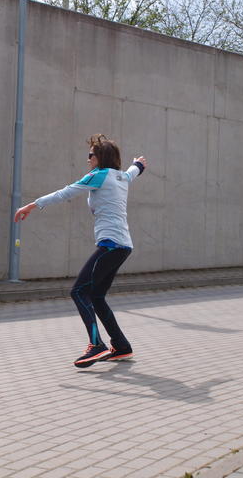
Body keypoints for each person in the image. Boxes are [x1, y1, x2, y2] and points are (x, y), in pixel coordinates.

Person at [14, 134, 147, 368]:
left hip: (110, 245)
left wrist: (32, 205)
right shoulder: (121, 177)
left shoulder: (98, 175)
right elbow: (132, 172)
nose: (88, 159)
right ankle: (121, 346)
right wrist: (138, 164)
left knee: (78, 291)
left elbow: (65, 192)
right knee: (96, 296)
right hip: (123, 245)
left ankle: (96, 345)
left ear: (100, 157)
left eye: (90, 155)